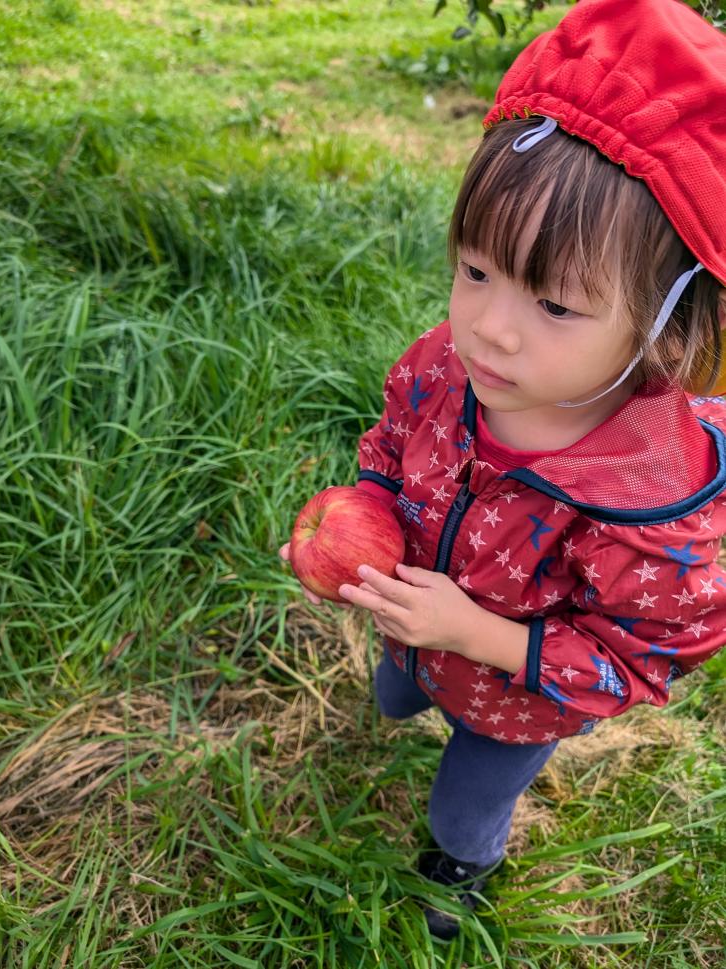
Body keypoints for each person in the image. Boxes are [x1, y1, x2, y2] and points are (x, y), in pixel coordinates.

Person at [279, 0, 726, 941]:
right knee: (397, 688)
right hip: (416, 626)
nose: (491, 324)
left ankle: (462, 872)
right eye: (476, 270)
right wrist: (364, 509)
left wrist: (477, 633)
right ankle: (409, 683)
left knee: (461, 802)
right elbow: (391, 451)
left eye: (556, 304)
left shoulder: (648, 508)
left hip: (511, 699)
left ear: (667, 327)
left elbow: (625, 666)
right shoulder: (448, 366)